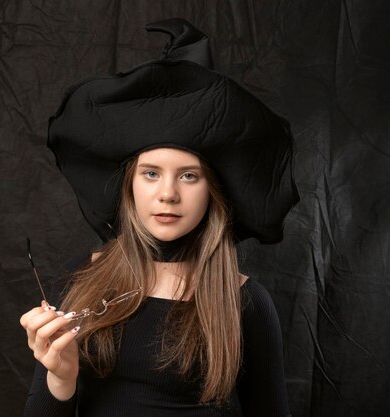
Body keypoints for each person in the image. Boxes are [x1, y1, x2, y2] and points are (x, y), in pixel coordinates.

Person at [20, 18, 299, 417]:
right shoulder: (81, 279)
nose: (167, 193)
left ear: (213, 192)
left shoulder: (245, 302)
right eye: (151, 173)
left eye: (189, 176)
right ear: (130, 184)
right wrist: (60, 379)